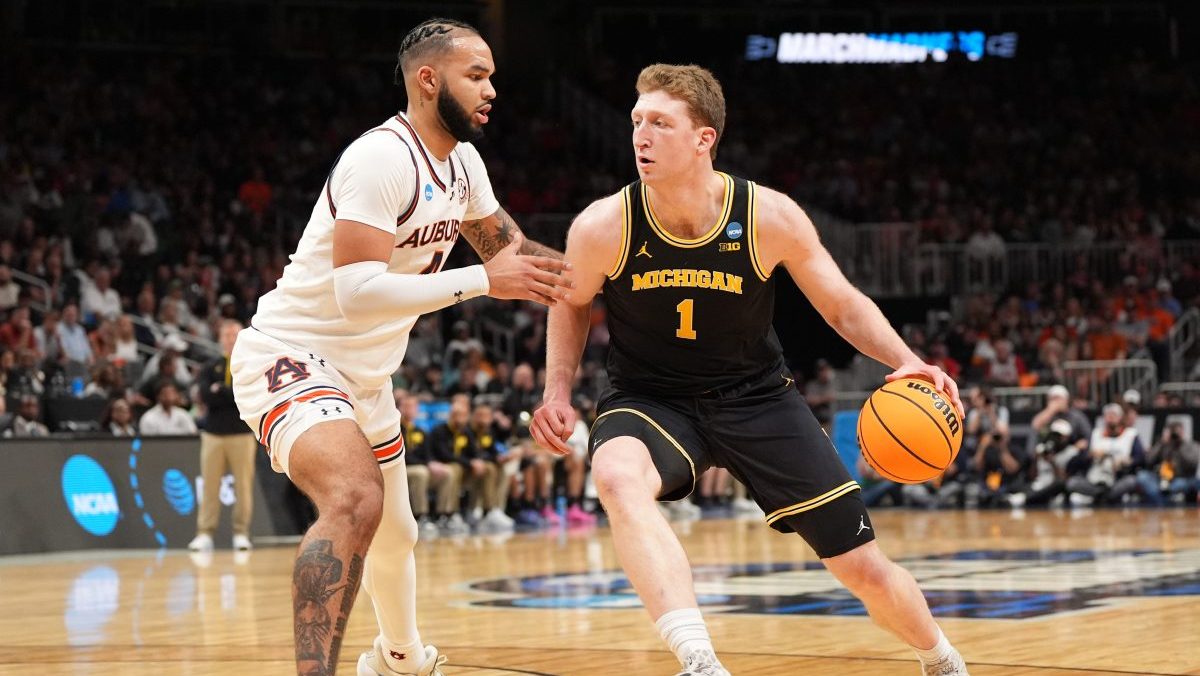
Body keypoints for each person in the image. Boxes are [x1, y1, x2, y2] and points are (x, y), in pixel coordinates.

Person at [531, 64, 968, 676]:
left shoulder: (768, 215)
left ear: (704, 138)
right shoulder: (606, 224)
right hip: (651, 397)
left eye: (660, 123)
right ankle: (699, 662)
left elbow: (841, 304)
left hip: (758, 396)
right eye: (636, 122)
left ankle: (941, 658)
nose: (641, 136)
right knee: (616, 474)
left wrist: (909, 361)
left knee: (861, 567)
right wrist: (556, 391)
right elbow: (570, 301)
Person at [228, 17, 568, 676]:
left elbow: (514, 257)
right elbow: (357, 292)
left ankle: (399, 660)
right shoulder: (380, 157)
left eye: (492, 75)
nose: (492, 89)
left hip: (366, 374)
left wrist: (606, 275)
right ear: (428, 78)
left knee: (399, 532)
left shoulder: (464, 163)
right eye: (478, 75)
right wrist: (479, 281)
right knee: (355, 500)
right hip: (293, 355)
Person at [189, 320, 257, 553]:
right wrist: (225, 394)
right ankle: (204, 533)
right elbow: (206, 395)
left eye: (234, 335)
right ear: (219, 339)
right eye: (226, 335)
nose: (230, 339)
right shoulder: (210, 366)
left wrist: (223, 391)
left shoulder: (249, 365)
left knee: (243, 487)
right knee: (209, 486)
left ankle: (241, 533)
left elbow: (244, 395)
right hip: (213, 435)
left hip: (242, 434)